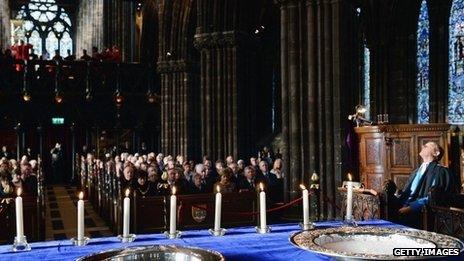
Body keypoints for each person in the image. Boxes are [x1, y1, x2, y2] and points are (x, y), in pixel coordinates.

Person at [393, 142, 458, 228]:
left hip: (422, 214)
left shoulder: (440, 172)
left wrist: (411, 208)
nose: (422, 146)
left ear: (436, 153)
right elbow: (407, 192)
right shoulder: (416, 171)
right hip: (402, 208)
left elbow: (434, 197)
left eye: (426, 146)